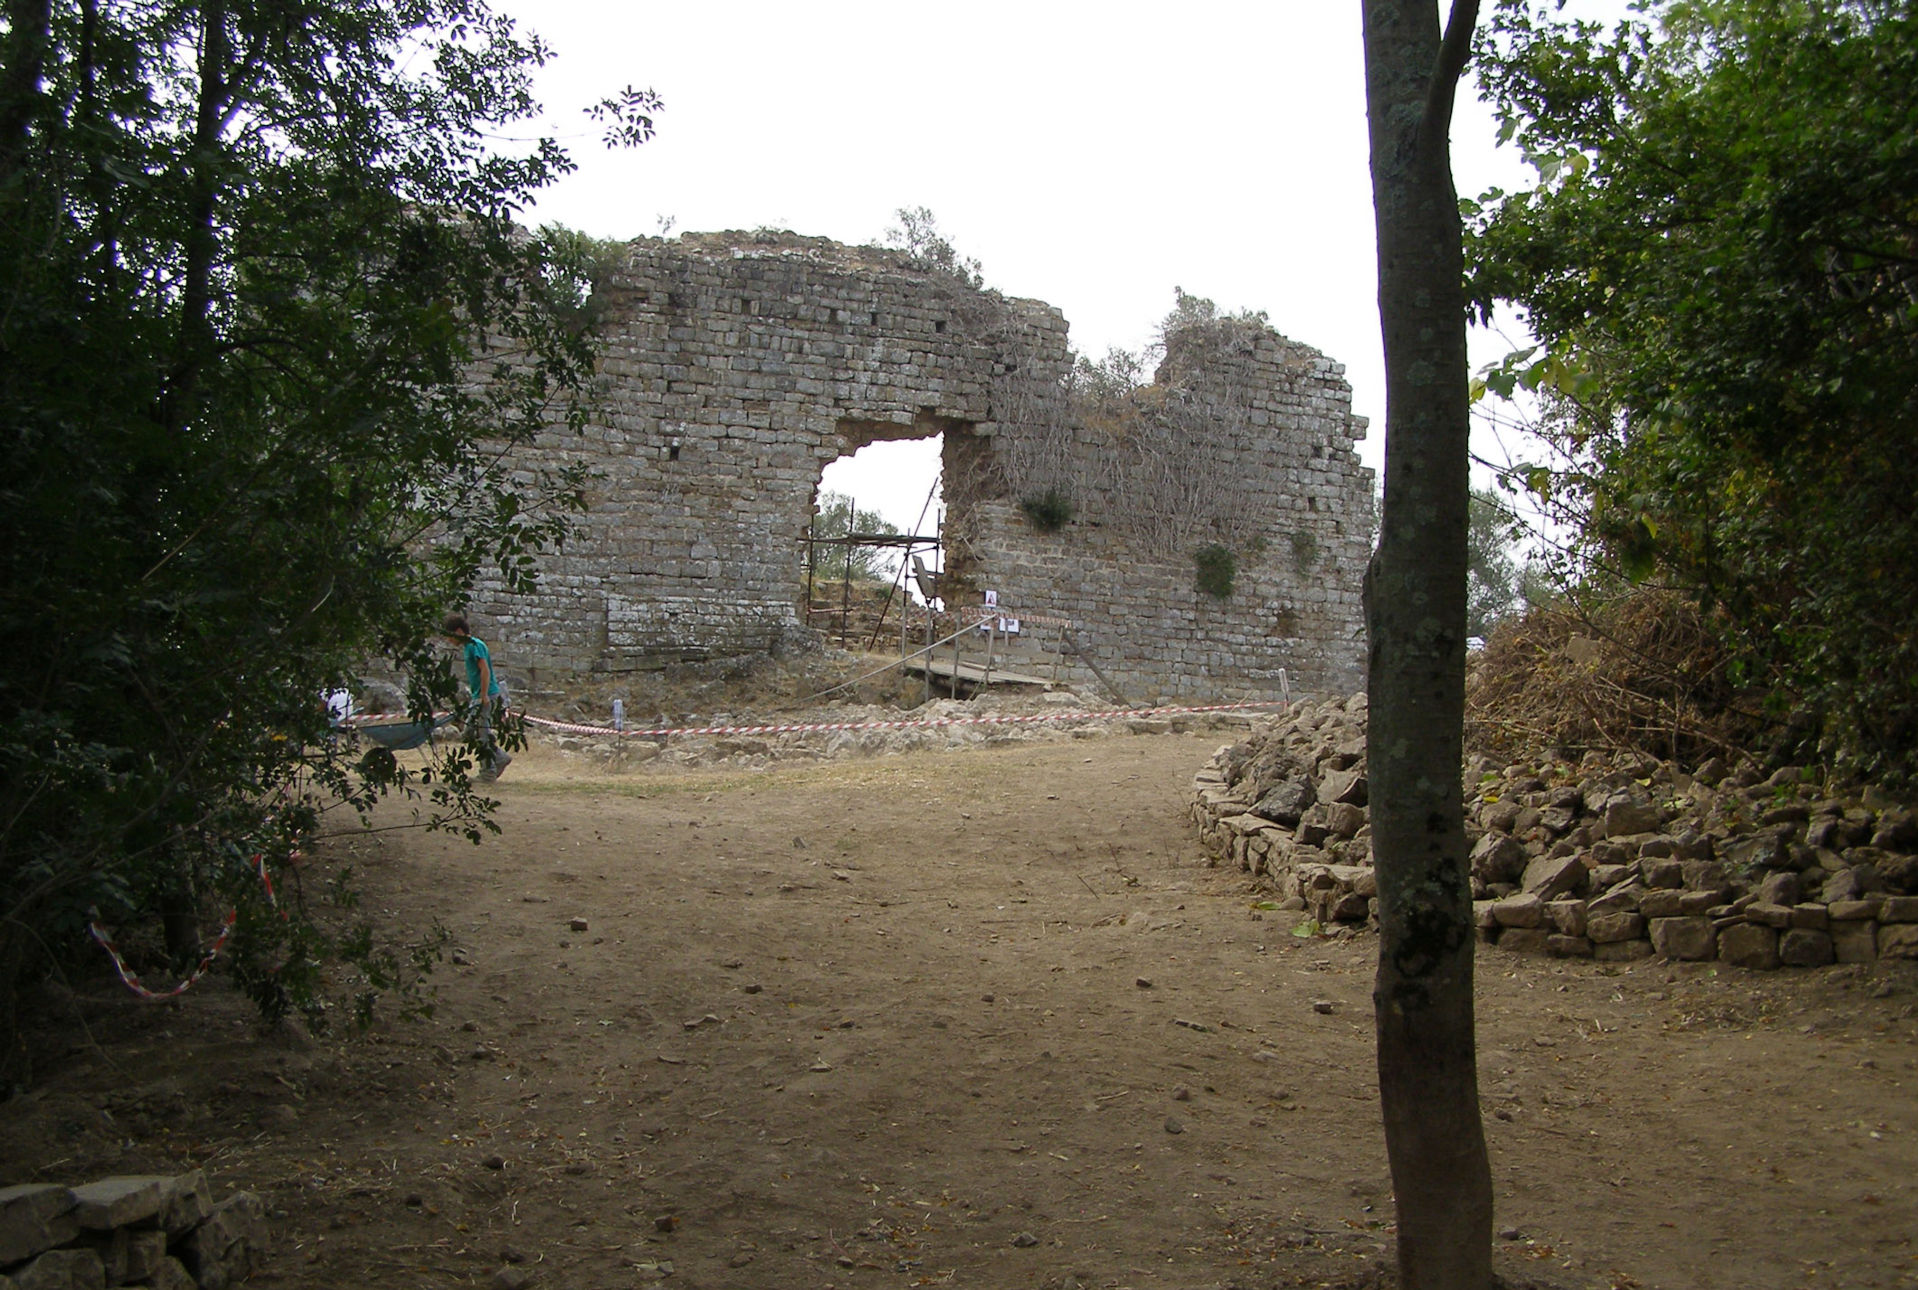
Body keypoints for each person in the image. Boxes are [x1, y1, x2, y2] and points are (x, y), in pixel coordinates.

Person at [442, 612, 512, 781]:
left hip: (485, 696)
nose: (448, 641)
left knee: (481, 734)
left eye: (449, 636)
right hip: (478, 696)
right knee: (470, 732)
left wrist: (483, 695)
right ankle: (500, 757)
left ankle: (487, 772)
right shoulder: (468, 647)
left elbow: (485, 670)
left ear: (458, 631)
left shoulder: (475, 645)